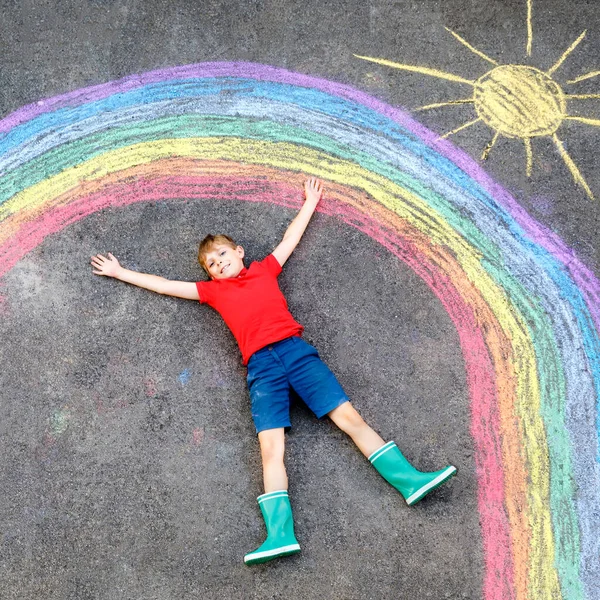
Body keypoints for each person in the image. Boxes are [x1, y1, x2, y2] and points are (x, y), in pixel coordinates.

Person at [90, 177, 456, 566]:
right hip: (262, 369)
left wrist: (310, 203)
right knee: (270, 448)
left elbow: (289, 240)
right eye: (211, 264)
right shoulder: (212, 291)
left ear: (239, 252)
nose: (218, 264)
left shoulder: (265, 270)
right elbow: (164, 286)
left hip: (295, 353)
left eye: (222, 256)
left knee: (349, 417)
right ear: (210, 274)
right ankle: (279, 534)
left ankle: (410, 481)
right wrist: (121, 272)